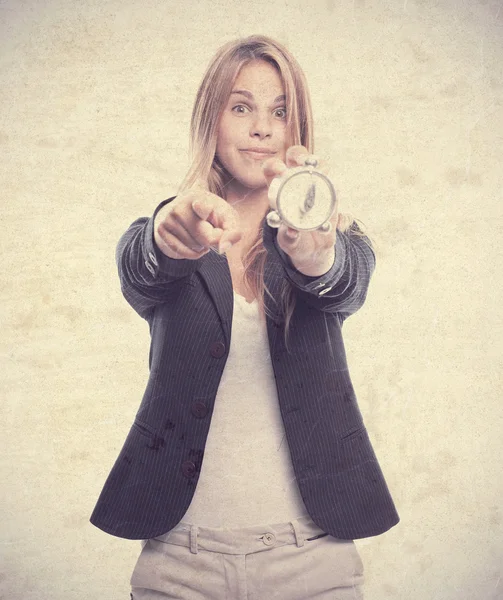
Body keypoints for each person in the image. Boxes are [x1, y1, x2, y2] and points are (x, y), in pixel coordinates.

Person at [90, 34, 400, 599]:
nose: (261, 128)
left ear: (296, 128)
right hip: (181, 564)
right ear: (211, 120)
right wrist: (169, 236)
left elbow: (342, 284)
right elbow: (142, 268)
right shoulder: (169, 231)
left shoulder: (339, 241)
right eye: (241, 107)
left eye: (279, 111)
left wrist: (314, 252)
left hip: (313, 562)